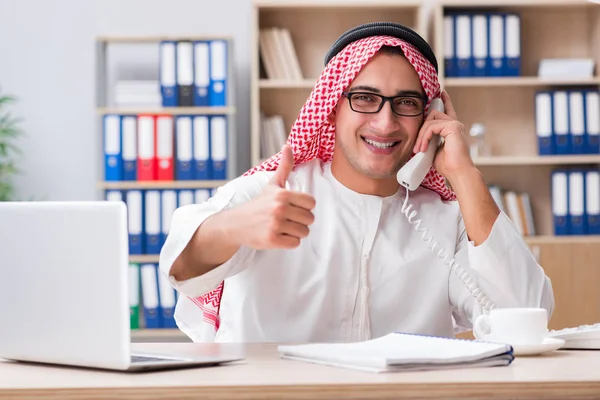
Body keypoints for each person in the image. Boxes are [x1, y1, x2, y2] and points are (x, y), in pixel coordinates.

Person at [159, 22, 554, 343]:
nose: (385, 122)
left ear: (429, 116)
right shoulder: (272, 195)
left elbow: (525, 315)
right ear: (330, 108)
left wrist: (466, 177)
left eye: (406, 103)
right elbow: (178, 265)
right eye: (365, 98)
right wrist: (237, 225)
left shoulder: (445, 221)